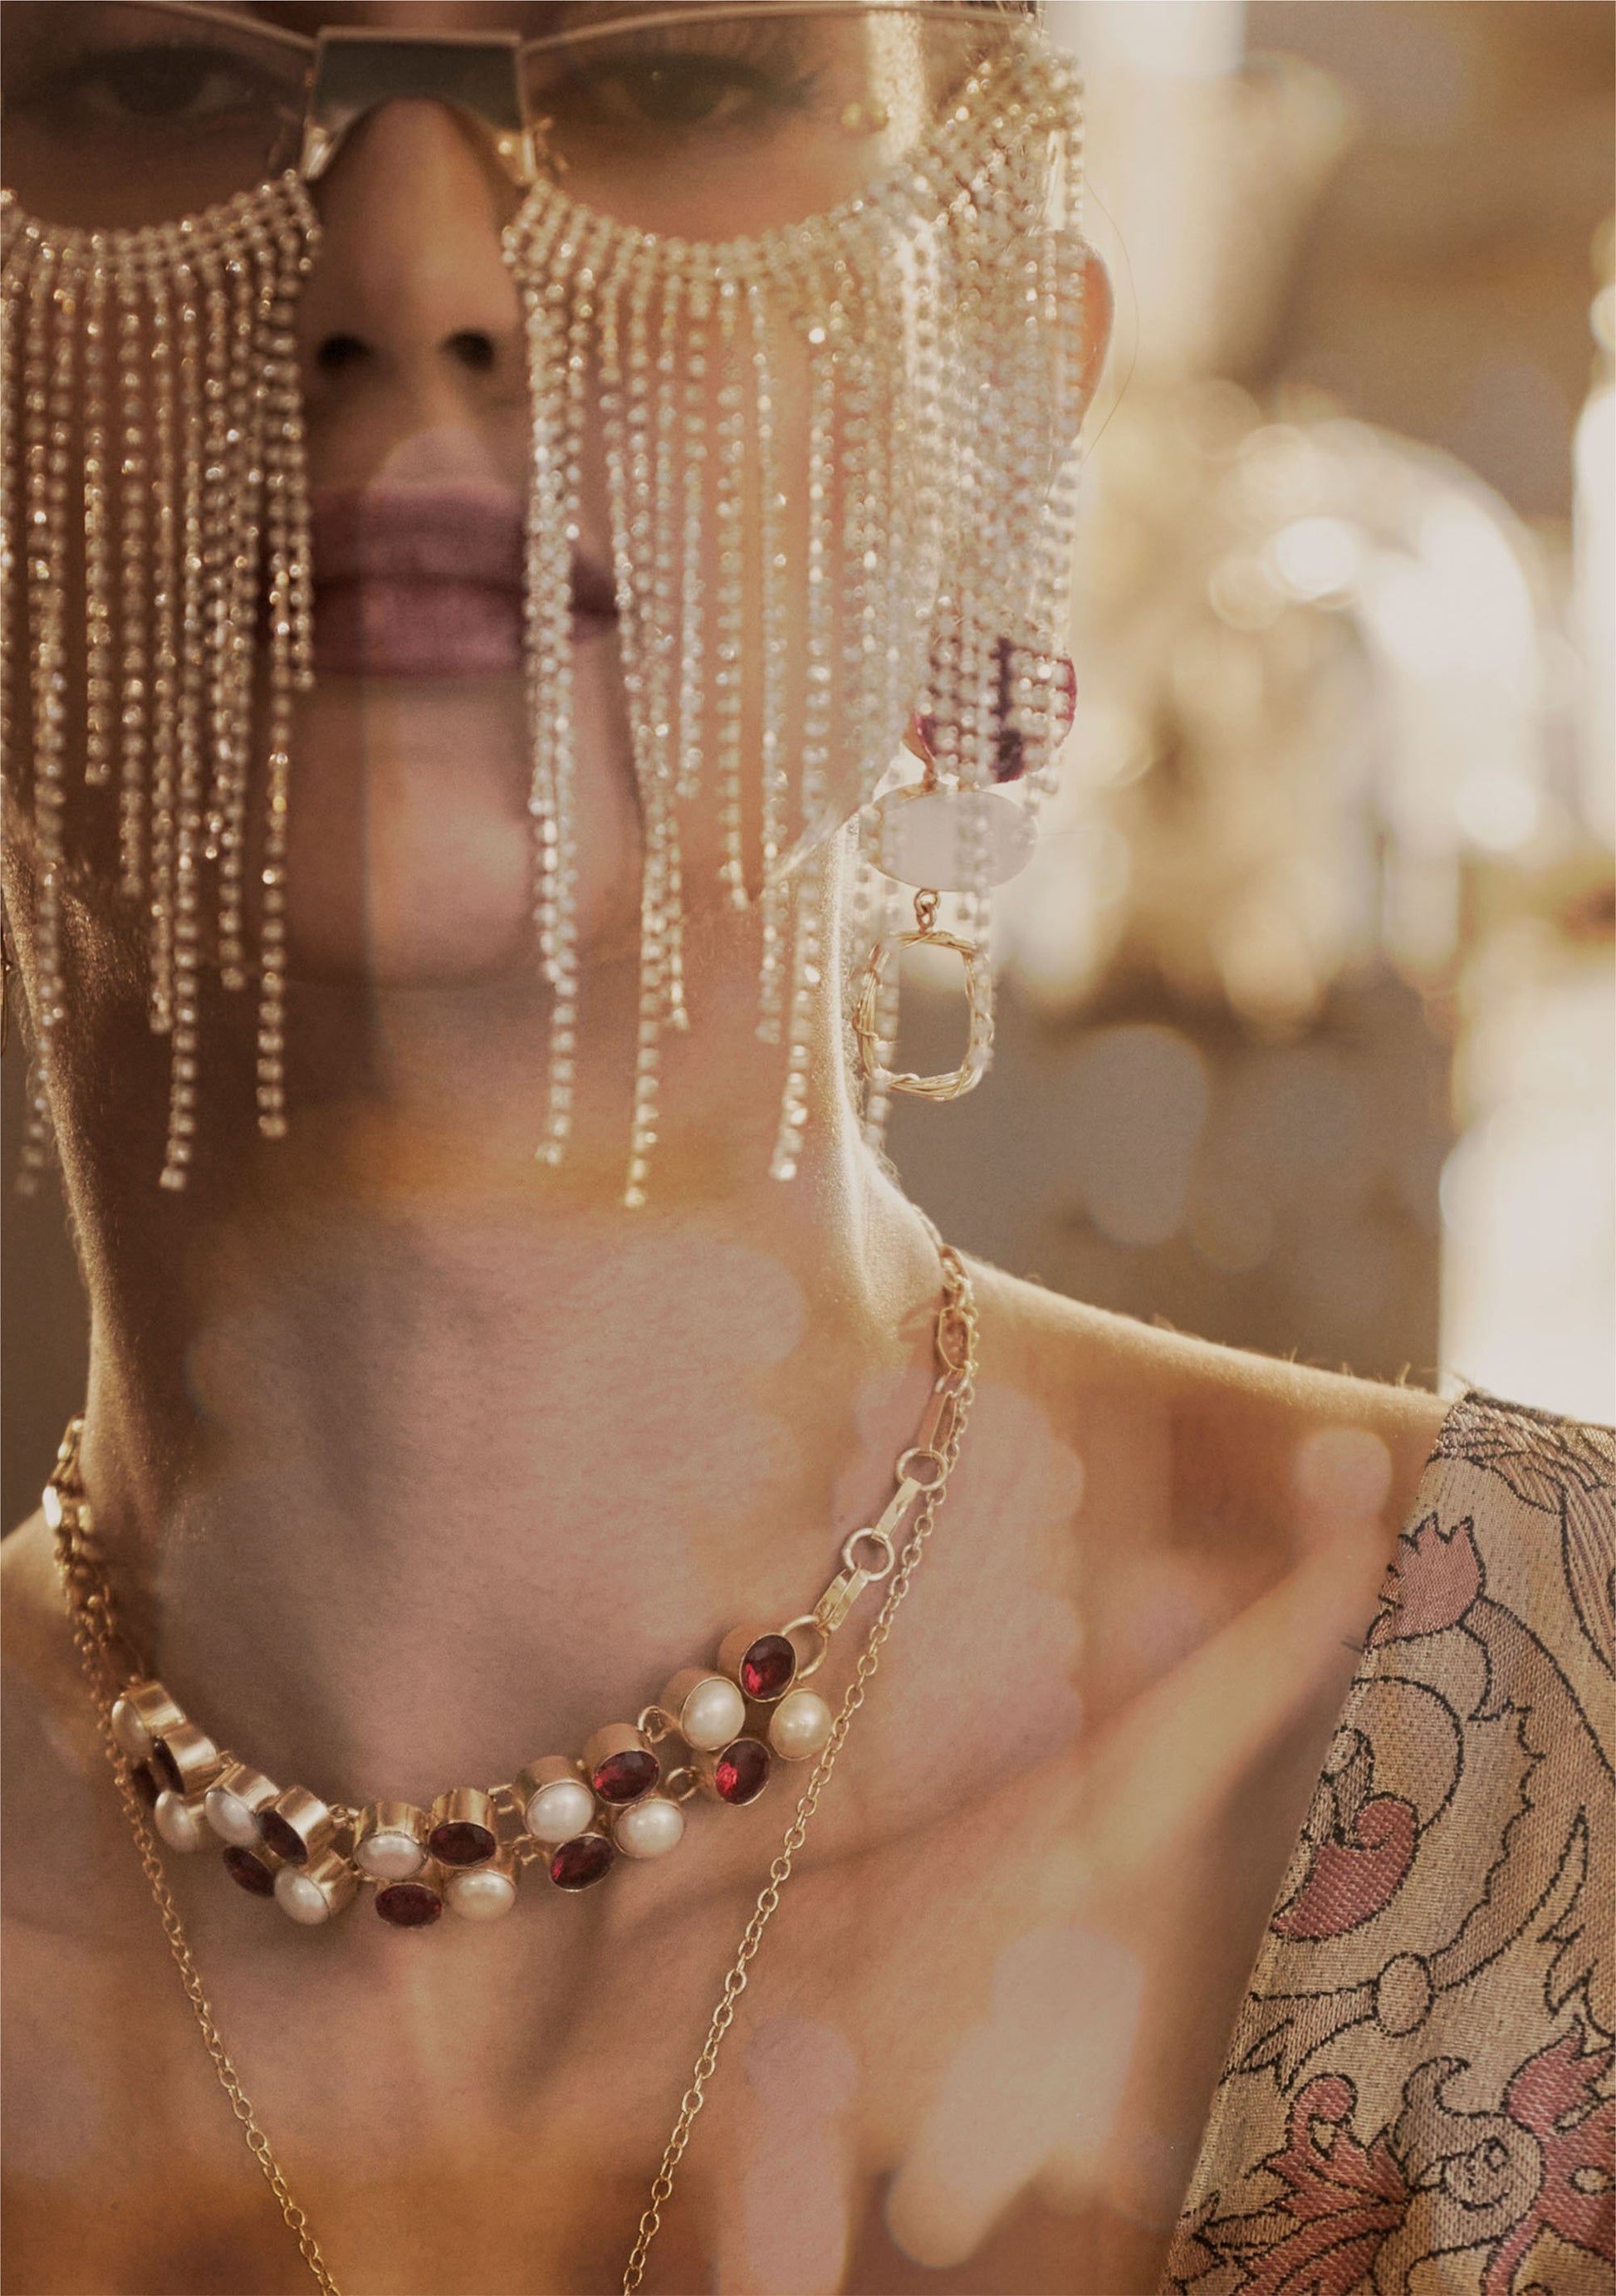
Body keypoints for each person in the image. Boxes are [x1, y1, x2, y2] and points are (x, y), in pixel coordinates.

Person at [1, 6, 1609, 2294]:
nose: (409, 268)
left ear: (1000, 399)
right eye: (156, 79)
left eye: (671, 81)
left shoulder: (1565, 1739)